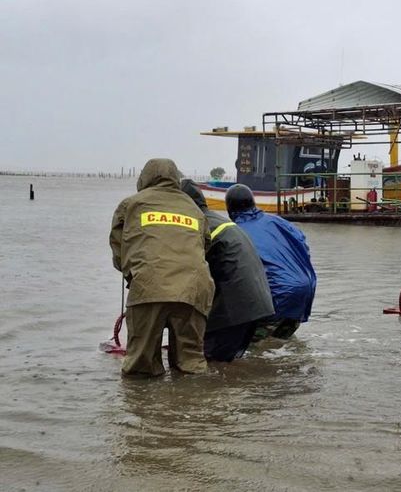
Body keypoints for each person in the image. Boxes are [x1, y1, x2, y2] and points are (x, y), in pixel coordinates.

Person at [109, 158, 214, 376]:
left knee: (140, 367)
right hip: (194, 290)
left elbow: (119, 249)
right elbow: (205, 247)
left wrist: (132, 275)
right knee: (191, 364)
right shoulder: (194, 208)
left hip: (149, 286)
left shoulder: (131, 205)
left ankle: (142, 407)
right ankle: (195, 405)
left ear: (144, 178)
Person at [180, 179, 275, 361]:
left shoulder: (198, 225)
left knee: (208, 365)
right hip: (258, 307)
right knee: (229, 367)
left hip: (234, 312)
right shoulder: (220, 221)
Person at [225, 184, 316, 341]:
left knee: (249, 352)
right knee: (281, 347)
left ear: (229, 209)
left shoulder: (235, 232)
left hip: (277, 295)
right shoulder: (280, 222)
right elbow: (304, 247)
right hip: (304, 293)